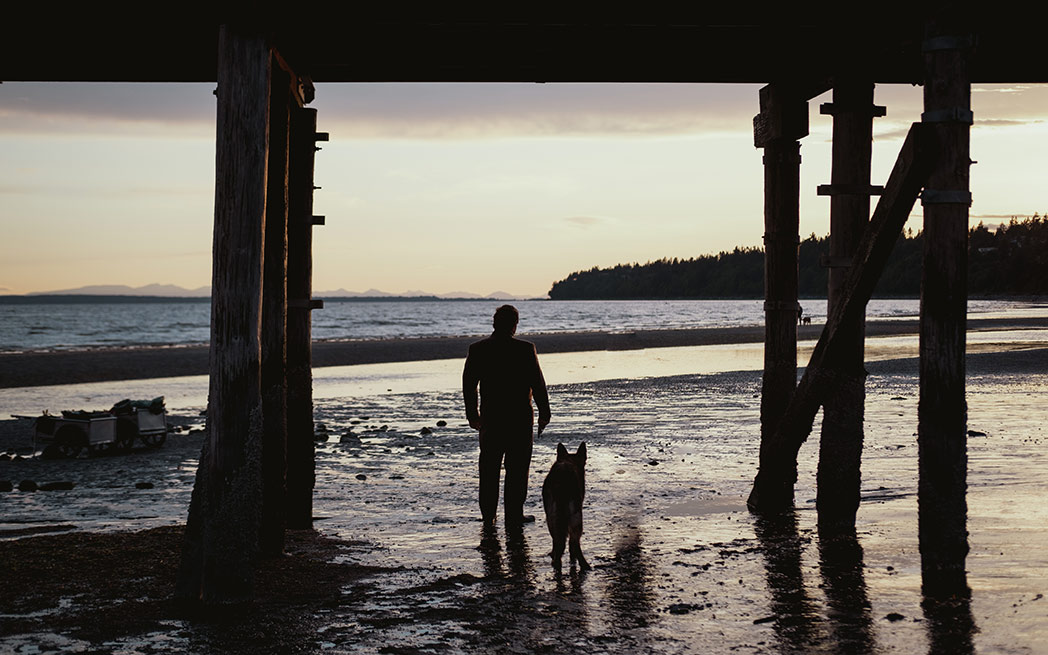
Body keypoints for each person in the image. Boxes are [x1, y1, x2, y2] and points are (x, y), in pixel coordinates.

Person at [463, 305, 551, 528]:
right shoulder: (525, 349)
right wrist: (545, 413)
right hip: (519, 420)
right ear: (514, 325)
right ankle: (514, 515)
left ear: (494, 323)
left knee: (489, 470)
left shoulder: (478, 349)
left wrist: (472, 415)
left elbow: (469, 386)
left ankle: (488, 517)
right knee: (518, 470)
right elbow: (538, 384)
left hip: (491, 420)